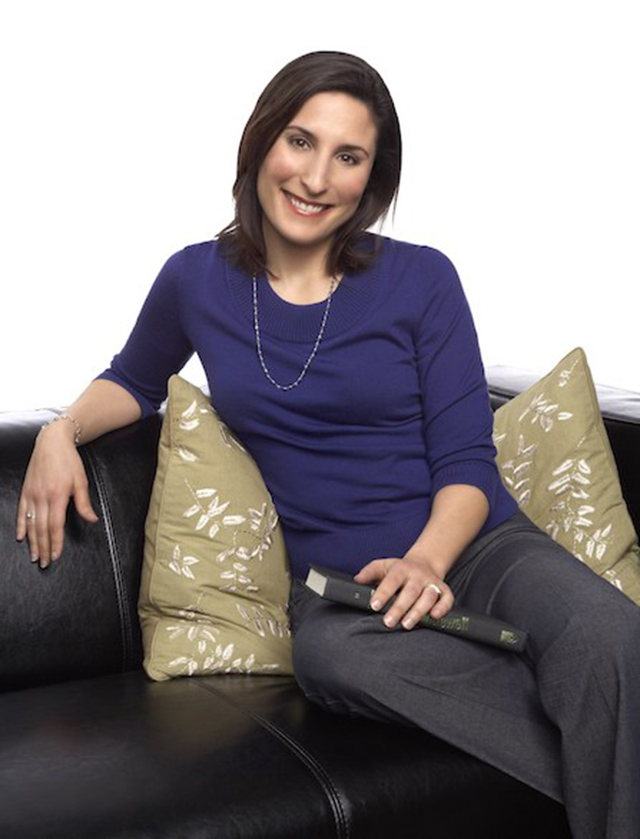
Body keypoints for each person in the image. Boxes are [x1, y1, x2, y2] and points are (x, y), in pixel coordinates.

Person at [15, 51, 639, 839]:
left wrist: (426, 563)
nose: (315, 178)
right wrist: (61, 430)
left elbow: (466, 463)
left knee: (611, 636)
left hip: (479, 548)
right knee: (332, 662)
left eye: (349, 156)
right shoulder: (195, 280)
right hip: (346, 594)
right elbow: (133, 380)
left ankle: (597, 700)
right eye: (301, 142)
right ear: (262, 141)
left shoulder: (423, 279)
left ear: (372, 179)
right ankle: (599, 718)